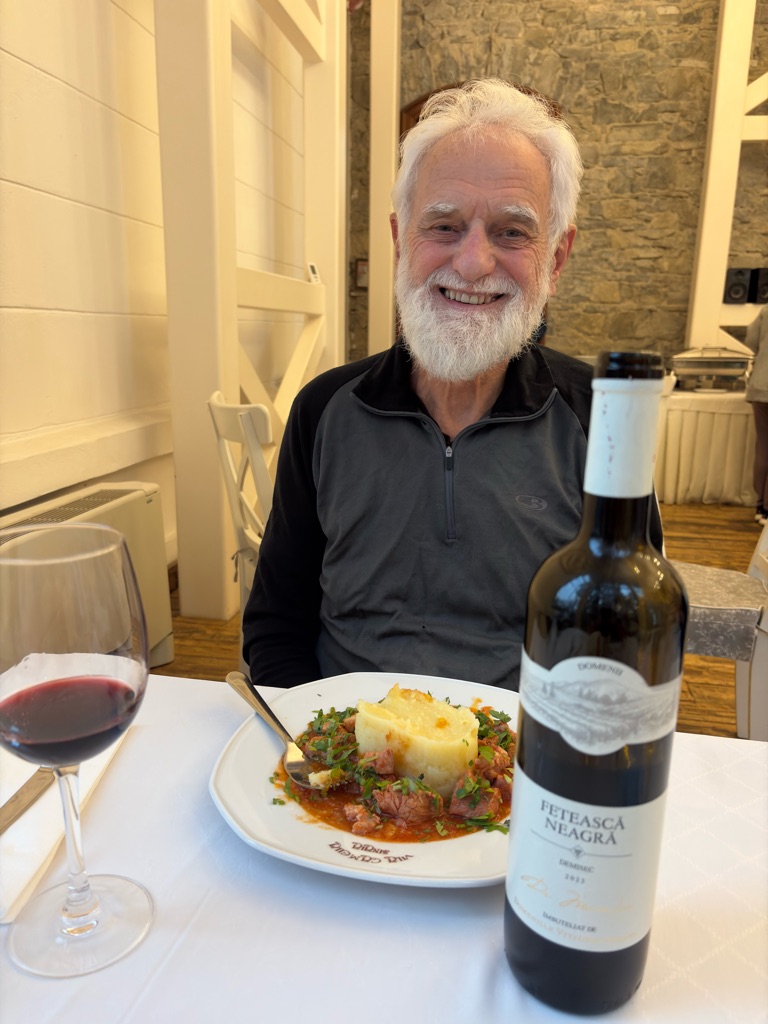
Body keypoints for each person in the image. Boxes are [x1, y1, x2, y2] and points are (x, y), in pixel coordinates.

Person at [242, 78, 662, 691]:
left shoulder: (601, 418)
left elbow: (628, 635)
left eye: (512, 232)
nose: (472, 263)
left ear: (556, 258)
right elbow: (277, 624)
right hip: (347, 738)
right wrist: (309, 733)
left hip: (524, 742)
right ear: (399, 240)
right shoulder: (323, 411)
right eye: (443, 225)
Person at [745, 305, 768, 525]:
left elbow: (750, 340)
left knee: (763, 445)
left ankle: (760, 506)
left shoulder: (765, 310)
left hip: (760, 384)